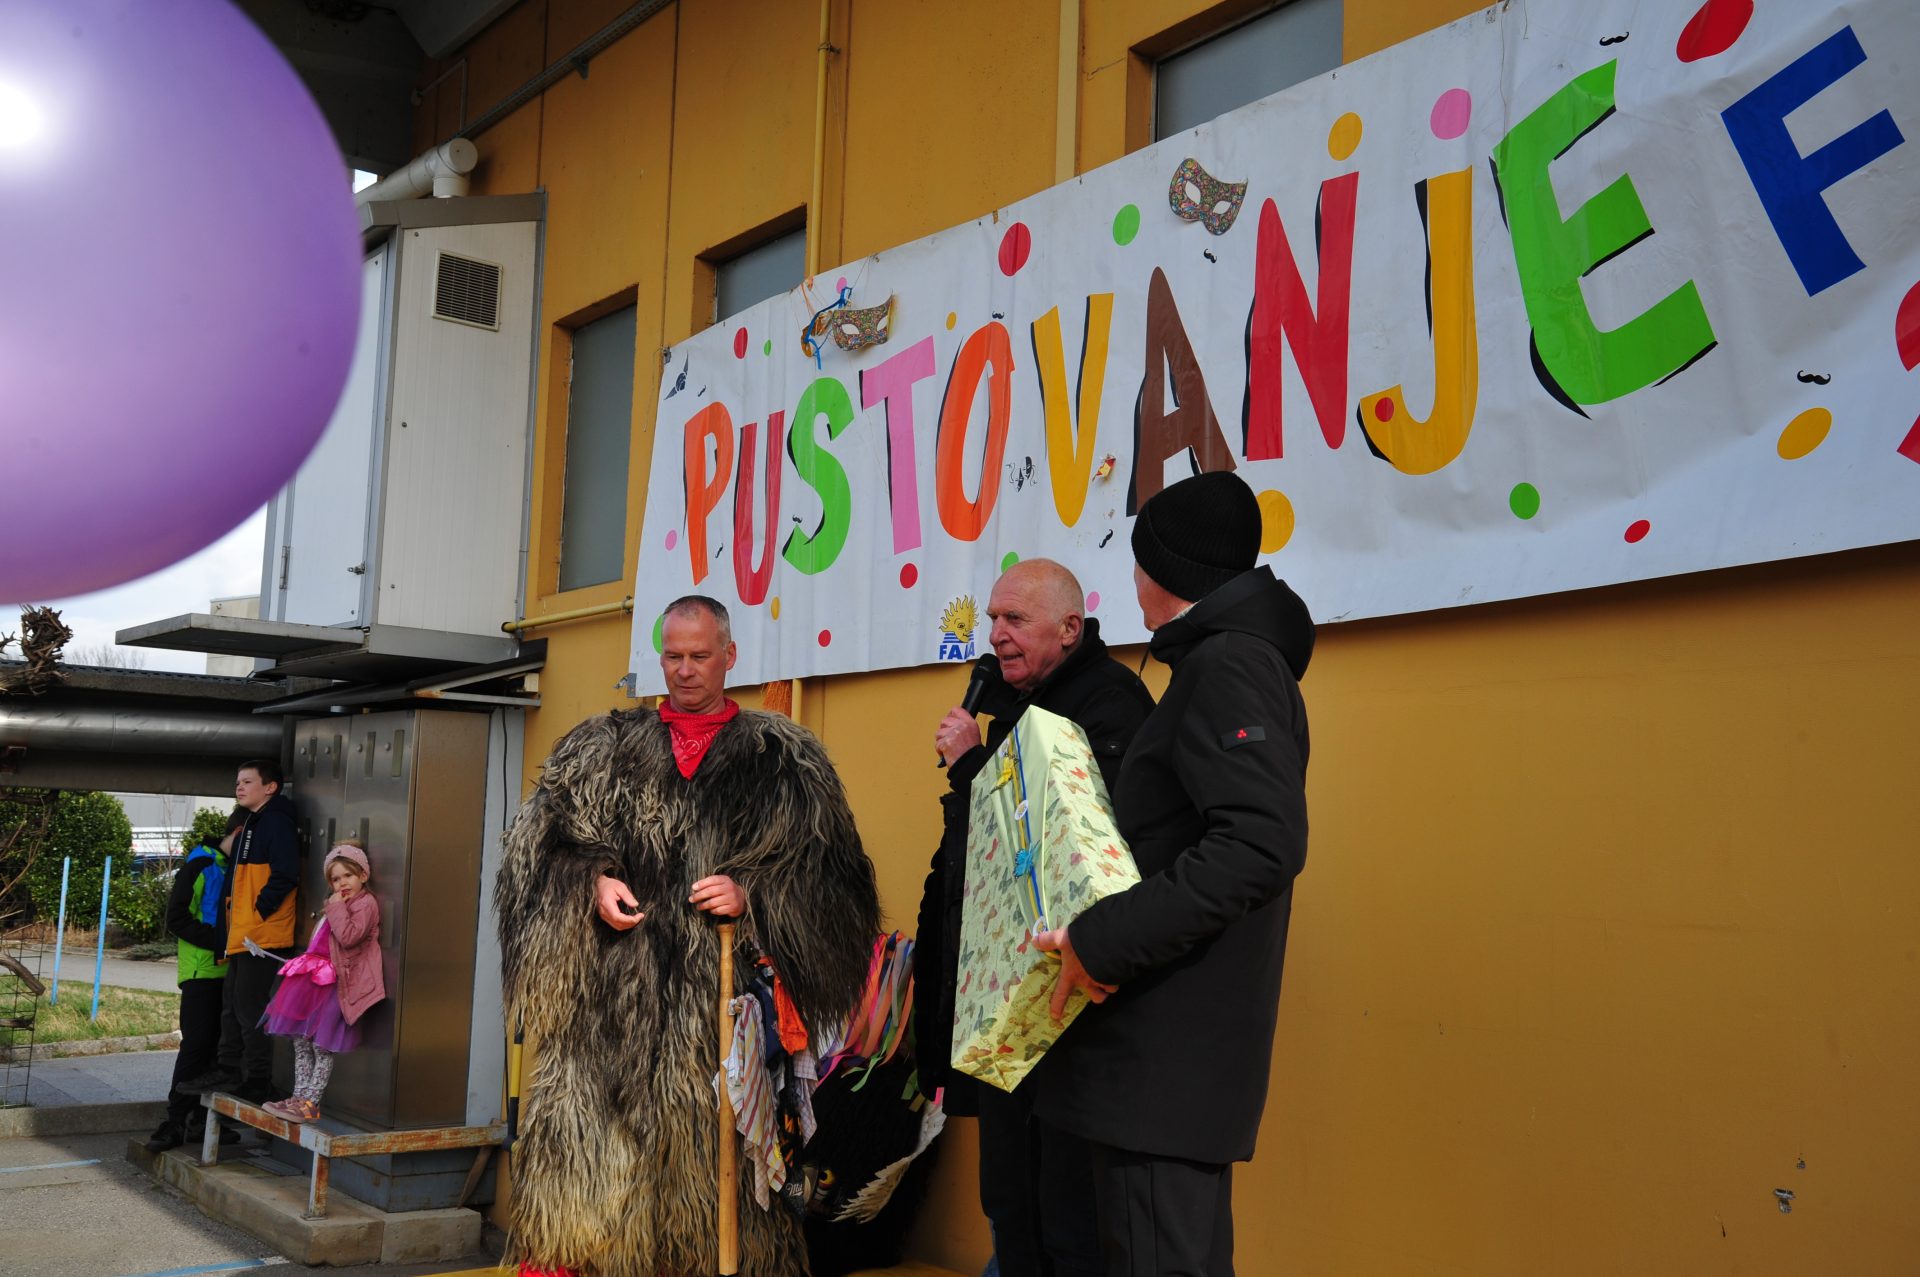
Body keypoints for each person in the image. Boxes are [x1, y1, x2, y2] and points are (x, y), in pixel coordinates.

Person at [496, 595, 881, 1277]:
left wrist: (754, 895)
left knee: (715, 1193)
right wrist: (590, 881)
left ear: (730, 656)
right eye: (672, 655)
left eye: (700, 655)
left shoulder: (783, 760)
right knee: (587, 1188)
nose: (684, 669)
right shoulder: (600, 749)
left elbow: (835, 878)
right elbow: (535, 847)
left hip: (720, 1026)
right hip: (604, 1025)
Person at [1032, 470, 1315, 1277]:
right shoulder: (1220, 661)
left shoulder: (1228, 664)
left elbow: (1260, 842)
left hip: (1165, 1062)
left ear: (1164, 573)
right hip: (1158, 1063)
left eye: (1139, 559)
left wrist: (1100, 940)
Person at [915, 559, 1153, 1277]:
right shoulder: (1013, 706)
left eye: (1014, 619)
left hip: (1069, 1009)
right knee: (1012, 1202)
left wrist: (971, 766)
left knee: (1068, 1217)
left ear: (1069, 628)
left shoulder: (1110, 705)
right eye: (992, 619)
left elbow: (1074, 854)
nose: (996, 634)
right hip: (1003, 1003)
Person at [175, 759, 302, 1104]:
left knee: (248, 1009)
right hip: (244, 934)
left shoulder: (276, 822)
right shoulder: (252, 824)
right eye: (237, 782)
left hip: (262, 936)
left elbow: (285, 874)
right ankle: (229, 1069)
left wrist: (258, 912)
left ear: (270, 787)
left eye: (248, 781)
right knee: (232, 1006)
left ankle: (257, 1079)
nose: (239, 787)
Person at [145, 808, 247, 1153]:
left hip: (229, 972)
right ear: (237, 833)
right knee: (196, 1048)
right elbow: (176, 918)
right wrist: (222, 943)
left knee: (220, 1051)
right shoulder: (200, 864)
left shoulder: (232, 866)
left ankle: (202, 1122)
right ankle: (174, 1122)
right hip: (201, 973)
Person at [261, 841, 385, 1123]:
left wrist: (336, 908)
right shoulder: (337, 904)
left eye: (348, 876)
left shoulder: (365, 904)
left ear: (363, 875)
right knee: (301, 1040)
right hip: (316, 981)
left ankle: (310, 1103)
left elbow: (349, 937)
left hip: (337, 985)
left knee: (322, 1044)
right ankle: (298, 1097)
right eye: (335, 879)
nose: (342, 883)